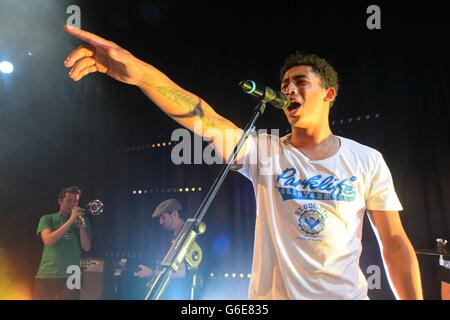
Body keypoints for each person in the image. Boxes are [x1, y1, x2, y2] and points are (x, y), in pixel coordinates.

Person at [63, 25, 423, 299]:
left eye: (300, 82)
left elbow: (393, 243)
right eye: (284, 84)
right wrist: (141, 75)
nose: (288, 90)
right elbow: (204, 117)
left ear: (329, 94)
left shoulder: (366, 159)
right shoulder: (265, 151)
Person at [33, 186, 92, 300]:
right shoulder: (47, 219)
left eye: (76, 201)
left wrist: (81, 227)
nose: (73, 205)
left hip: (72, 273)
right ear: (60, 201)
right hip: (48, 273)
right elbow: (48, 240)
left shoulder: (83, 221)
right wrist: (71, 220)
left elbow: (87, 247)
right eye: (69, 201)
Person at [133, 199, 199, 300]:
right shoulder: (171, 238)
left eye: (163, 217)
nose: (161, 222)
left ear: (175, 214)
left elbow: (182, 272)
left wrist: (152, 273)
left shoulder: (190, 236)